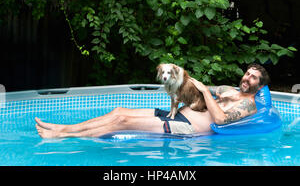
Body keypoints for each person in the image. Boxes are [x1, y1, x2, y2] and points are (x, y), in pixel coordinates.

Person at [35, 63, 270, 139]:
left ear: (260, 85)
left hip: (186, 127)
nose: (248, 78)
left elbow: (219, 118)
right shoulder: (228, 90)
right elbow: (200, 89)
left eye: (254, 77)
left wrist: (206, 92)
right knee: (119, 111)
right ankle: (62, 127)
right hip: (178, 114)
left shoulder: (249, 104)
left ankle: (61, 135)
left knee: (122, 121)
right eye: (247, 73)